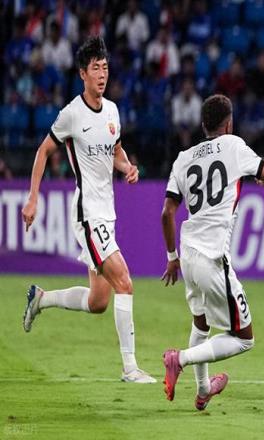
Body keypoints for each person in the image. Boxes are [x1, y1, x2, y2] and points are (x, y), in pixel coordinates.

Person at [21, 36, 156, 384]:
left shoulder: (112, 111)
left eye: (105, 67)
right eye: (95, 68)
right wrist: (33, 198)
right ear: (83, 73)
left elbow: (116, 151)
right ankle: (130, 368)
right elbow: (43, 151)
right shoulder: (71, 114)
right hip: (87, 213)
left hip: (107, 212)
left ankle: (41, 299)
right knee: (125, 282)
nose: (102, 74)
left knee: (99, 302)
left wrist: (127, 167)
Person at [161, 94, 264, 410]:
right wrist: (263, 179)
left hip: (187, 256)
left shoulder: (183, 158)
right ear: (228, 124)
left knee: (201, 325)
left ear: (203, 125)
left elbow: (167, 213)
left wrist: (172, 258)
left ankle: (203, 391)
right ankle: (179, 359)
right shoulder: (233, 146)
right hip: (213, 258)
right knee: (244, 337)